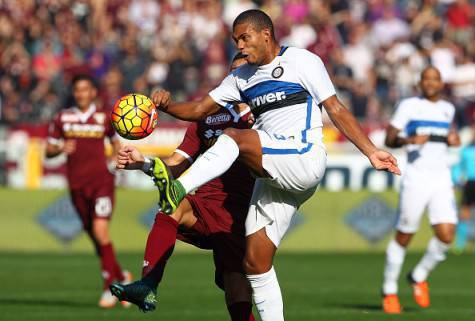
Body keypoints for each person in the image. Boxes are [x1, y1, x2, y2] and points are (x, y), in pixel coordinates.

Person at [145, 9, 400, 321]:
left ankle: (178, 187)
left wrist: (371, 151)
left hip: (303, 156)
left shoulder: (302, 61)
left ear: (265, 34)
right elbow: (199, 109)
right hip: (274, 175)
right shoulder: (240, 78)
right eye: (235, 40)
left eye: (244, 37)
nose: (239, 45)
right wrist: (168, 105)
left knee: (237, 138)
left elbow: (335, 107)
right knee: (255, 262)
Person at [110, 54, 256, 321]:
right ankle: (148, 284)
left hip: (240, 212)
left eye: (246, 72)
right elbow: (176, 164)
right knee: (172, 204)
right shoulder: (207, 118)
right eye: (234, 72)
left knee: (235, 289)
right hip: (204, 203)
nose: (240, 77)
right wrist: (142, 163)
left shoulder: (260, 114)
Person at [46, 74, 131, 308]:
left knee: (100, 230)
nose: (82, 93)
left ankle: (109, 290)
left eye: (86, 89)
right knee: (95, 237)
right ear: (74, 93)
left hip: (102, 182)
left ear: (93, 92)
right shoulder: (63, 118)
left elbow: (115, 141)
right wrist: (61, 147)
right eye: (78, 90)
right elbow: (49, 150)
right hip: (76, 185)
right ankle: (122, 278)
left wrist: (115, 157)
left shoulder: (104, 118)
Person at [381, 66, 461, 314]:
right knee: (405, 235)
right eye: (426, 79)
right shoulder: (409, 106)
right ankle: (389, 291)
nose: (430, 83)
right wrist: (408, 140)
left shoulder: (448, 109)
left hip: (441, 179)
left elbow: (447, 139)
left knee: (447, 236)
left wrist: (454, 140)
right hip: (416, 178)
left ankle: (419, 275)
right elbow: (389, 139)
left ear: (441, 83)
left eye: (435, 79)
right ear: (420, 82)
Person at [454, 124, 475, 252]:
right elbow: (458, 168)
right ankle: (460, 245)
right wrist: (456, 180)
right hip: (470, 184)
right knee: (464, 213)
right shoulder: (466, 150)